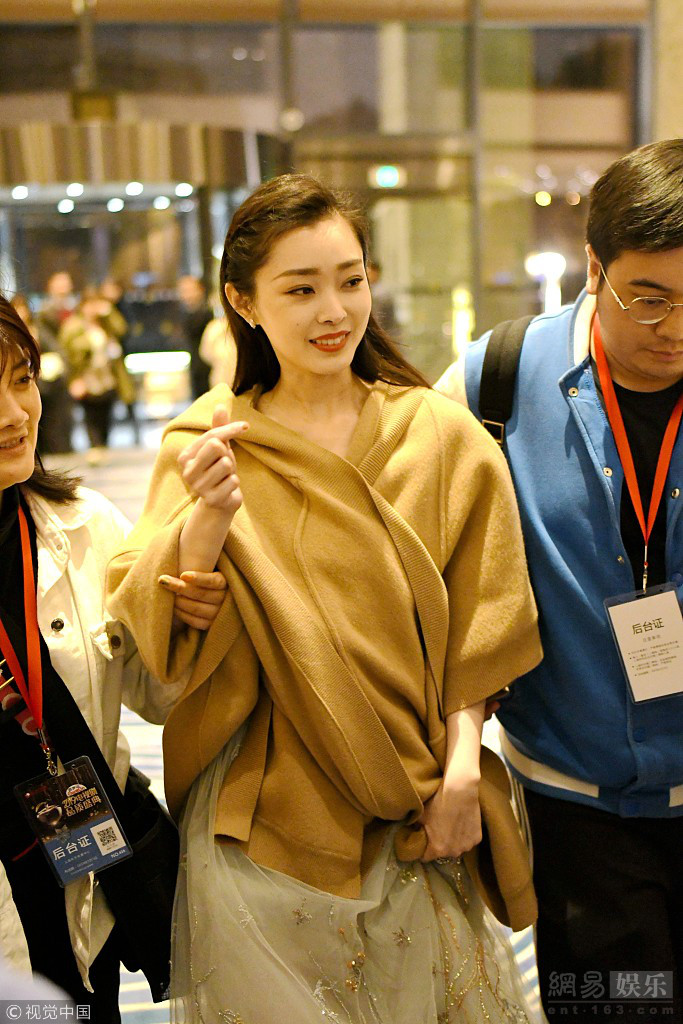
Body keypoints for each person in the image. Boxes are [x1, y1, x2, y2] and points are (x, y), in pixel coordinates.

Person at [106, 174, 542, 1024]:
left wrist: (462, 772)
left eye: (350, 280)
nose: (333, 310)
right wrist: (207, 520)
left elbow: (485, 624)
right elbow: (148, 629)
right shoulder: (208, 439)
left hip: (419, 802)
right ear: (243, 302)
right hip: (260, 821)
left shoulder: (439, 434)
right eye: (300, 290)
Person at [436, 139, 683, 1021]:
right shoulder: (495, 381)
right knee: (615, 1007)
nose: (675, 327)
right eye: (648, 298)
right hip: (574, 809)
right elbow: (413, 564)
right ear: (592, 267)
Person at [0, 294, 223, 1020]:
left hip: (80, 874)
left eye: (22, 380)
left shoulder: (84, 527)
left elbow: (156, 694)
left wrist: (188, 612)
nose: (14, 414)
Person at [59, 289, 135, 462]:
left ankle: (102, 447)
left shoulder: (105, 323)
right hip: (87, 376)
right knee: (90, 413)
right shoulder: (74, 326)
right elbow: (67, 353)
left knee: (106, 413)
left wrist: (109, 312)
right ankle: (95, 447)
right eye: (89, 305)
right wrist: (74, 380)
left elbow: (122, 329)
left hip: (107, 376)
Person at [10, 293, 73, 455]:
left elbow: (57, 349)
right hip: (23, 387)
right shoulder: (7, 336)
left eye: (22, 308)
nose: (21, 312)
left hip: (46, 384)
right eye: (16, 308)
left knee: (49, 422)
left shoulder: (38, 328)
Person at [176, 275, 213, 400]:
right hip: (195, 365)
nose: (186, 294)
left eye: (190, 289)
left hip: (208, 366)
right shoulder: (184, 313)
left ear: (200, 290)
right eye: (183, 290)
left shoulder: (207, 312)